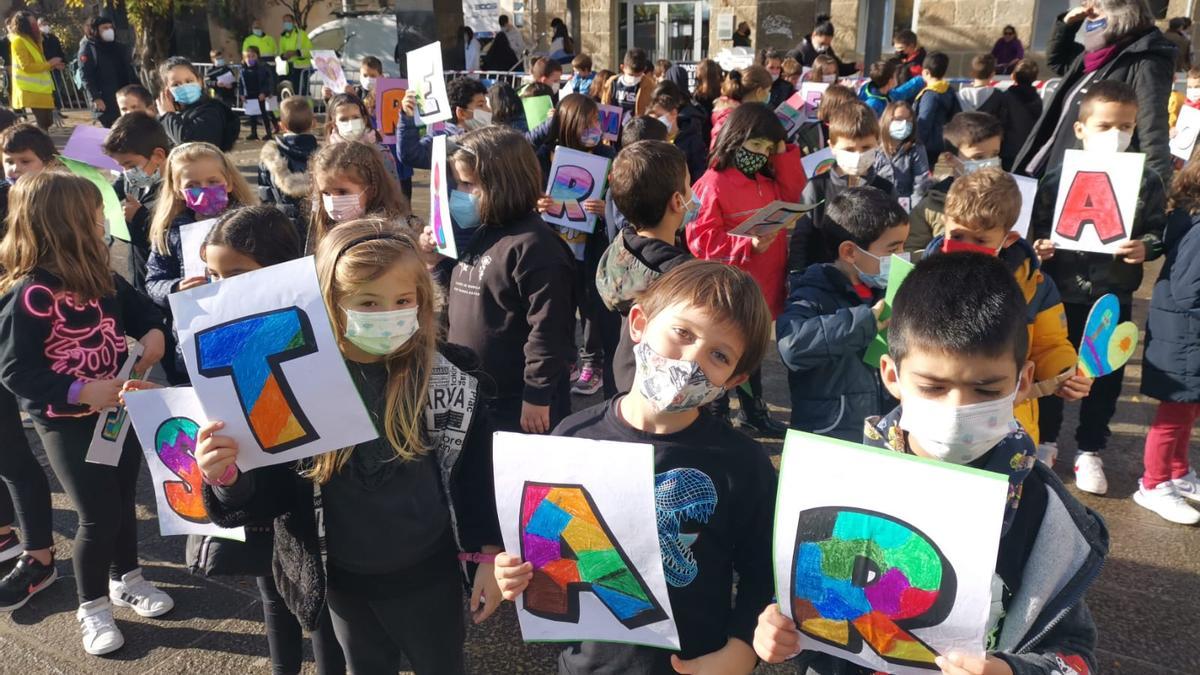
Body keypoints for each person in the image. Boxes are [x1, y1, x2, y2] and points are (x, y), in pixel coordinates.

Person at [754, 252, 1107, 675]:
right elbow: (810, 609)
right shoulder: (842, 483)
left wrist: (1011, 671)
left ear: (1022, 381)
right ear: (891, 375)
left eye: (986, 388)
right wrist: (781, 633)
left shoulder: (1044, 512)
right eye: (933, 386)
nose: (958, 408)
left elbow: (1073, 656)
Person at [198, 220, 503, 673]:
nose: (389, 314)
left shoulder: (450, 380)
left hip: (429, 576)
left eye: (403, 301)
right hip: (344, 585)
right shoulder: (293, 386)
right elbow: (275, 494)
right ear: (330, 304)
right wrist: (227, 478)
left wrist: (488, 552)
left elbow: (476, 478)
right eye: (367, 302)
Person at [495, 260, 777, 675]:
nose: (691, 361)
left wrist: (741, 650)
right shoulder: (572, 440)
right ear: (640, 323)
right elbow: (544, 549)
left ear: (732, 380)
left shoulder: (742, 463)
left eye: (718, 355)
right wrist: (514, 573)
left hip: (697, 663)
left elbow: (763, 573)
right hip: (589, 664)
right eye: (682, 333)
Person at [0, 172, 171, 656]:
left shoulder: (101, 276)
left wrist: (154, 333)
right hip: (68, 424)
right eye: (95, 217)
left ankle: (127, 578)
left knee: (122, 501)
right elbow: (15, 370)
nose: (103, 225)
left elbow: (143, 311)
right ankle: (92, 607)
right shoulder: (29, 294)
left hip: (119, 411)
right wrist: (80, 389)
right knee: (97, 517)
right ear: (65, 224)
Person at [1031, 80, 1167, 494]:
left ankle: (1090, 449)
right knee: (1056, 368)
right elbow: (1035, 229)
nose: (1117, 135)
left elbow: (1158, 230)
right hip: (1061, 293)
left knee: (1105, 376)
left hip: (1113, 295)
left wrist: (1146, 246)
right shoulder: (1056, 179)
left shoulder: (1147, 181)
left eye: (1126, 126)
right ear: (1081, 129)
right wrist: (1040, 246)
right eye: (1106, 125)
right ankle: (1047, 442)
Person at [425, 126, 576, 434]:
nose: (461, 195)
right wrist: (431, 261)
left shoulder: (536, 246)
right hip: (476, 393)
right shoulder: (484, 232)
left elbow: (549, 329)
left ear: (502, 184)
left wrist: (537, 394)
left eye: (468, 185)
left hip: (518, 402)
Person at [928, 169, 1088, 447]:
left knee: (1005, 487)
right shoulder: (922, 274)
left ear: (1008, 239)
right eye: (957, 235)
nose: (966, 247)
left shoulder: (1035, 285)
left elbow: (1049, 345)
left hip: (1007, 423)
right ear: (944, 223)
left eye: (980, 241)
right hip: (937, 413)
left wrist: (1064, 373)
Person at [690, 104, 802, 436]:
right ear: (735, 139)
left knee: (751, 354)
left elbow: (794, 191)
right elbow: (701, 240)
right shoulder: (712, 183)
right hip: (730, 291)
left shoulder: (767, 181)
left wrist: (783, 150)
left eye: (768, 149)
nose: (761, 154)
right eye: (756, 146)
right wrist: (745, 246)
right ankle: (716, 413)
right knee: (724, 352)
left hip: (765, 287)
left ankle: (753, 412)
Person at [778, 187, 906, 440]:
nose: (901, 256)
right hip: (832, 431)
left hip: (882, 430)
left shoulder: (885, 290)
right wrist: (863, 322)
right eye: (893, 249)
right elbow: (791, 346)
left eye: (904, 246)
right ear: (850, 252)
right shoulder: (813, 292)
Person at [1015, 0, 1175, 187]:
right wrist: (1068, 25)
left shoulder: (1147, 61)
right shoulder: (1096, 56)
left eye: (1095, 14)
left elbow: (1152, 131)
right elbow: (1057, 62)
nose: (1088, 18)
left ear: (1120, 16)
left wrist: (1155, 192)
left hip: (1095, 179)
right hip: (1057, 164)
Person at [146, 142, 257, 384]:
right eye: (192, 186)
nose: (204, 189)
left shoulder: (253, 223)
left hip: (249, 328)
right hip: (195, 339)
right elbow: (154, 281)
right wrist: (176, 288)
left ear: (228, 181)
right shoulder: (168, 233)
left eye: (212, 181)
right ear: (177, 190)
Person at [596, 140, 695, 393]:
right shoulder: (683, 276)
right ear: (677, 201)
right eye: (688, 186)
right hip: (661, 391)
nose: (693, 194)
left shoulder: (622, 243)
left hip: (623, 377)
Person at [1135, 157, 1200, 524]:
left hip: (1187, 335)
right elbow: (1189, 290)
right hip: (1184, 336)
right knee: (1174, 414)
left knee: (1188, 408)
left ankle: (1177, 470)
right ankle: (1153, 483)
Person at [789, 101, 895, 274]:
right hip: (822, 281)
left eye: (866, 147)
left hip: (870, 282)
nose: (858, 155)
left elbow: (891, 239)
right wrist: (796, 277)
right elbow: (801, 239)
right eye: (849, 149)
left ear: (877, 143)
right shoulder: (817, 187)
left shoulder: (885, 189)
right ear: (832, 147)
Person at [907, 111, 1004, 251]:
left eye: (994, 154)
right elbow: (911, 252)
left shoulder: (1009, 200)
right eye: (978, 157)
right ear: (950, 159)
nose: (988, 163)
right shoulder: (931, 205)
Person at [308, 140, 419, 253]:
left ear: (371, 189)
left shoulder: (393, 235)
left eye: (342, 192)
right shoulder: (325, 230)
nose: (333, 201)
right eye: (326, 193)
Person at [102, 112, 170, 294]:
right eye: (121, 167)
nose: (127, 173)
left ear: (158, 156)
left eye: (130, 166)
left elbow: (170, 240)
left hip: (162, 284)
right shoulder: (138, 181)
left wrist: (139, 217)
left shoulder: (175, 192)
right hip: (140, 275)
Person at [259, 96, 317, 230]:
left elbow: (265, 197)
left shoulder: (270, 156)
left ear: (281, 126)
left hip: (282, 227)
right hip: (316, 226)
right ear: (313, 123)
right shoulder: (325, 156)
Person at [157, 57, 240, 151]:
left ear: (200, 81)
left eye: (189, 81)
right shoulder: (174, 113)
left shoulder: (211, 111)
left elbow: (190, 142)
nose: (184, 86)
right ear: (167, 90)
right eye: (176, 84)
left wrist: (167, 116)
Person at [77, 14, 136, 128]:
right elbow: (86, 76)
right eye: (104, 28)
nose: (109, 30)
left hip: (125, 96)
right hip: (106, 100)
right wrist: (96, 98)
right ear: (94, 30)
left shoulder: (118, 47)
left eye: (110, 27)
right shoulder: (88, 49)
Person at [323, 93, 399, 181]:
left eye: (355, 117)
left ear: (364, 120)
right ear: (334, 124)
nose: (350, 123)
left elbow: (393, 188)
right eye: (343, 119)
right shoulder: (327, 156)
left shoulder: (381, 153)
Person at [7, 11, 63, 130]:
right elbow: (26, 66)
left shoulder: (33, 40)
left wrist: (52, 65)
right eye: (32, 23)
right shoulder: (18, 41)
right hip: (31, 90)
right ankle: (32, 140)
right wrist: (49, 63)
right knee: (43, 123)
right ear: (24, 25)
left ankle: (30, 137)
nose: (36, 26)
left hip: (42, 89)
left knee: (47, 122)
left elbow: (38, 63)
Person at [649, 80, 708, 185]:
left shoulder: (692, 139)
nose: (657, 121)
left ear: (673, 113)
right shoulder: (653, 139)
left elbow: (699, 174)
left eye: (660, 116)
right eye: (654, 117)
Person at [875, 100, 931, 206]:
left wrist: (912, 213)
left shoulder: (916, 148)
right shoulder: (874, 148)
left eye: (908, 120)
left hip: (904, 207)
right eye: (899, 119)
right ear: (887, 120)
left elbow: (920, 184)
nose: (904, 123)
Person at [914, 51, 961, 166]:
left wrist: (917, 142)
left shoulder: (930, 94)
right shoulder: (949, 90)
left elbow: (924, 119)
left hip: (927, 143)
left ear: (926, 72)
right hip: (941, 140)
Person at [709, 66, 772, 148]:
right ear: (759, 92)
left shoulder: (744, 114)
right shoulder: (731, 116)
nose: (769, 95)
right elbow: (718, 151)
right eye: (768, 91)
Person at [1001, 59, 1043, 170]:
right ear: (1035, 78)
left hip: (1009, 150)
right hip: (1030, 149)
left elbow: (1001, 122)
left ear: (1013, 76)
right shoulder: (1037, 100)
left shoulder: (1005, 98)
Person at [788, 16, 859, 76]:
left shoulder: (827, 51)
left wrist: (854, 67)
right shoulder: (798, 53)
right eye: (822, 43)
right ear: (814, 35)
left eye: (828, 44)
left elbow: (839, 68)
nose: (824, 47)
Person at [602, 48, 657, 117]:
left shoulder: (650, 86)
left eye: (638, 76)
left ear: (644, 70)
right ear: (622, 67)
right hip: (614, 125)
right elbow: (604, 105)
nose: (634, 78)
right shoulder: (612, 83)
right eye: (631, 75)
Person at [239, 45, 276, 141]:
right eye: (248, 57)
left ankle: (268, 133)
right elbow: (241, 83)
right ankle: (253, 133)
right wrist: (242, 94)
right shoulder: (243, 69)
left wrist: (265, 92)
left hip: (261, 94)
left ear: (257, 56)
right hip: (250, 95)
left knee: (264, 114)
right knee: (252, 115)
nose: (250, 59)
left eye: (253, 56)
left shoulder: (262, 67)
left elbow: (268, 81)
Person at [277, 14, 313, 94]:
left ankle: (307, 106)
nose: (287, 23)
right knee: (293, 92)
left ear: (293, 22)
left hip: (302, 68)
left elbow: (310, 50)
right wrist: (284, 55)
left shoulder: (301, 34)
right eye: (285, 22)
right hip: (290, 68)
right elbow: (280, 52)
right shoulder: (283, 37)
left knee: (304, 92)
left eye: (289, 21)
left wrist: (296, 53)